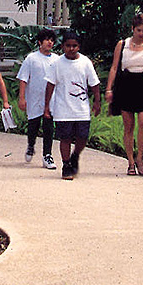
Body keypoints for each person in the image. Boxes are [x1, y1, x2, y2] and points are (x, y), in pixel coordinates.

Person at [106, 12, 143, 176]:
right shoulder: (122, 44)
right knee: (129, 126)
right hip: (126, 85)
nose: (141, 34)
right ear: (132, 29)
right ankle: (130, 162)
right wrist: (109, 89)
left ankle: (140, 159)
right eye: (138, 30)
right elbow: (114, 67)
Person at [42, 31, 102, 180]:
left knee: (82, 137)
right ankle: (66, 164)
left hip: (81, 109)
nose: (71, 49)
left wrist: (97, 101)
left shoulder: (85, 62)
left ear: (79, 46)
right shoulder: (56, 64)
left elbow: (94, 84)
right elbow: (50, 85)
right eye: (68, 46)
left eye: (74, 46)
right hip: (63, 109)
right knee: (65, 139)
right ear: (62, 46)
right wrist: (46, 106)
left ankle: (75, 156)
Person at [16, 29, 59, 170]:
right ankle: (30, 145)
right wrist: (22, 98)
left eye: (52, 40)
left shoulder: (57, 59)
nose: (50, 42)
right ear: (40, 42)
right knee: (33, 125)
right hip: (34, 98)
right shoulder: (31, 59)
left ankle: (47, 155)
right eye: (47, 40)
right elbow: (23, 79)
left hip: (51, 101)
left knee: (48, 127)